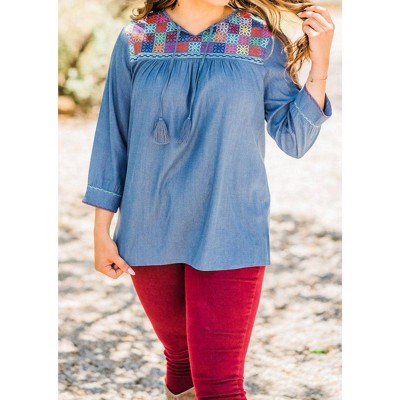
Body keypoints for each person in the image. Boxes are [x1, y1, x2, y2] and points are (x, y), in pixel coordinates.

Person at [81, 0, 334, 398]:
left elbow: (295, 138)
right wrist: (101, 231)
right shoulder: (137, 40)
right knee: (181, 362)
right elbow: (113, 137)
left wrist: (320, 64)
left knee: (219, 385)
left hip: (231, 230)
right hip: (149, 231)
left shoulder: (259, 39)